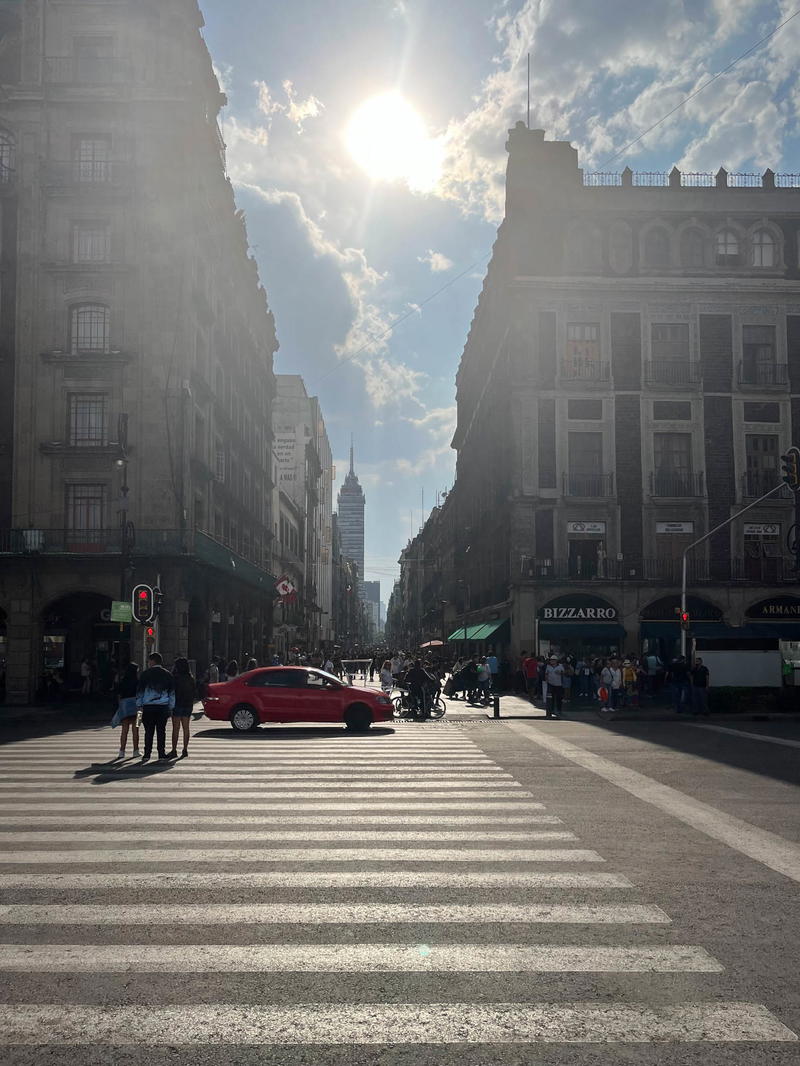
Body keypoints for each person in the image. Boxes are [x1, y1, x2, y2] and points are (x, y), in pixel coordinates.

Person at [136, 652, 176, 763]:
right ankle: (161, 753)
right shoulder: (168, 674)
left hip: (148, 707)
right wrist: (171, 707)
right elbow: (172, 693)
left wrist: (139, 706)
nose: (148, 663)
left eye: (149, 661)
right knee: (161, 731)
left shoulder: (145, 674)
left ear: (153, 661)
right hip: (163, 707)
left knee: (148, 731)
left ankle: (147, 754)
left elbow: (140, 692)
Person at [167, 657, 196, 760]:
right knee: (186, 728)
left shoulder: (175, 678)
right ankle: (185, 749)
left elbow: (171, 692)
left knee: (176, 728)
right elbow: (194, 692)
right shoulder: (191, 678)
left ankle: (174, 750)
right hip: (188, 705)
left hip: (177, 704)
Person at [113, 662, 140, 760]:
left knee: (124, 730)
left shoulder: (123, 681)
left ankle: (122, 751)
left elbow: (119, 695)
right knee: (136, 729)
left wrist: (120, 706)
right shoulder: (138, 682)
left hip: (125, 707)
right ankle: (136, 750)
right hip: (138, 708)